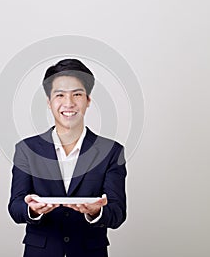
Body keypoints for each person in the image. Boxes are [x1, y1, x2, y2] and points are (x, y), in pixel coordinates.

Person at [8, 59, 127, 257]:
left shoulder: (111, 151)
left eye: (77, 94)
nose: (69, 103)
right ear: (49, 102)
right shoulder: (26, 149)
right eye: (60, 95)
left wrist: (95, 212)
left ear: (88, 100)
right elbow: (15, 207)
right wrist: (33, 211)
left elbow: (118, 212)